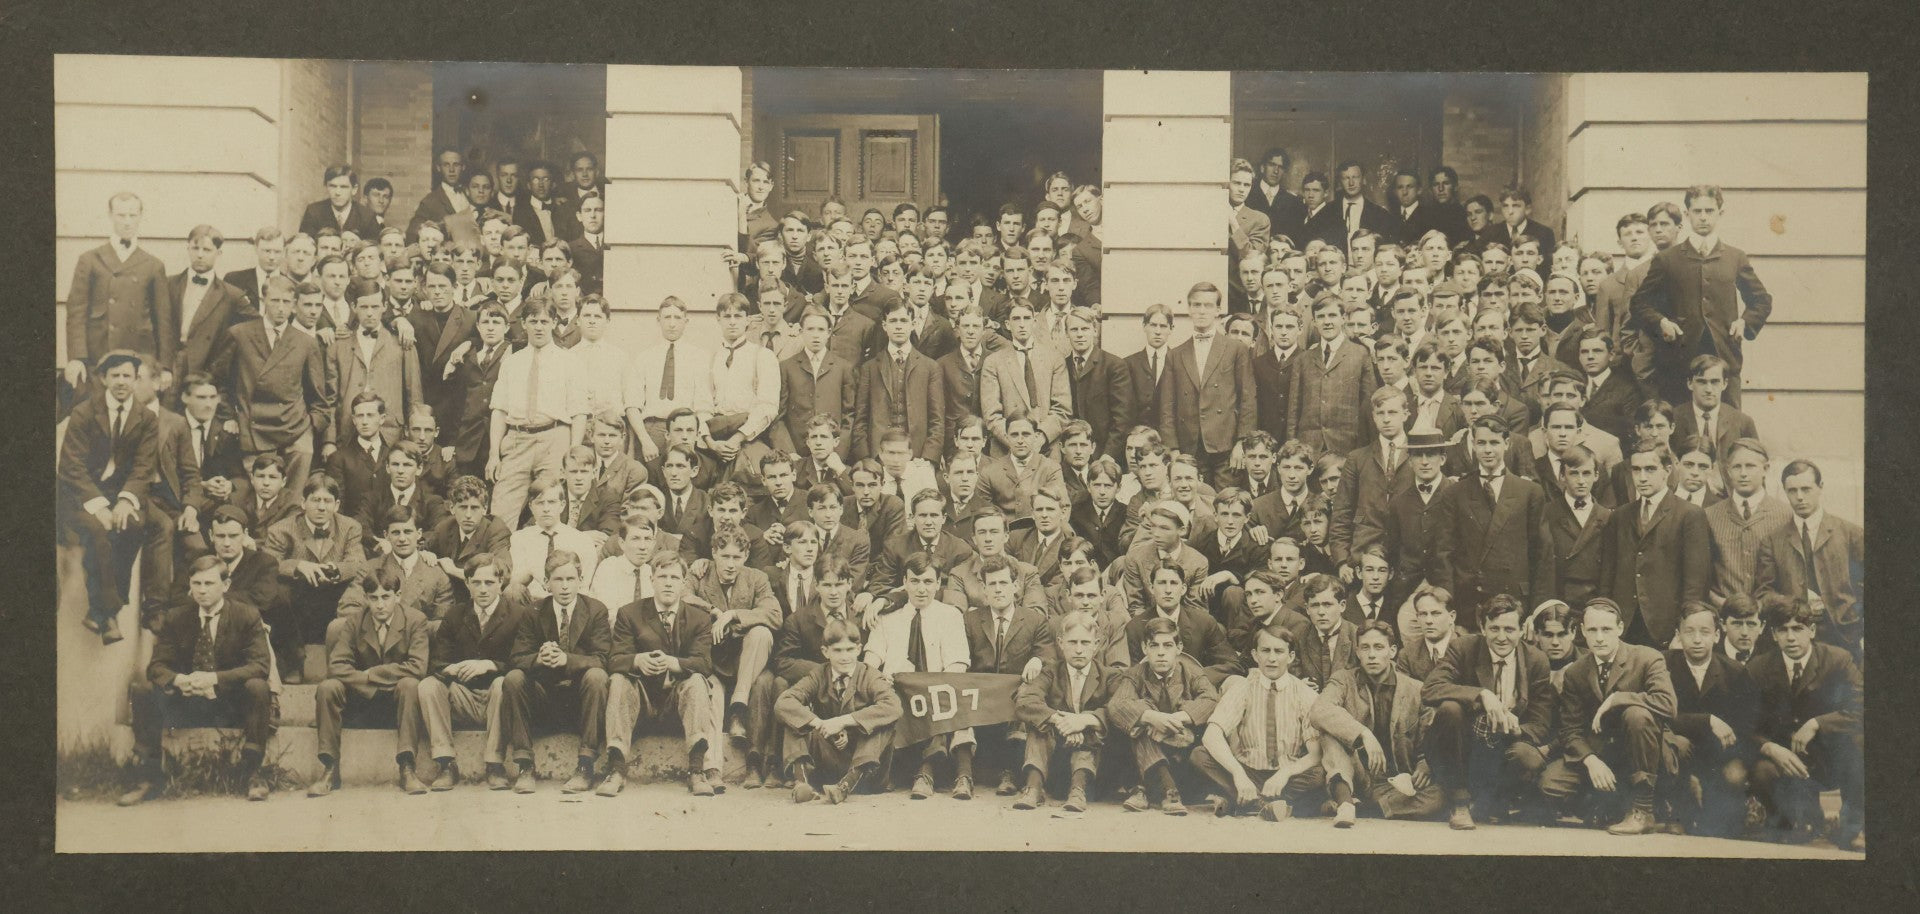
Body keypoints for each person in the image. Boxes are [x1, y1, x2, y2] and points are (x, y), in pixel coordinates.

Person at [118, 556, 276, 805]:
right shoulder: (177, 617)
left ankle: (253, 774)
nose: (202, 590)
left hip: (228, 704)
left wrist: (214, 678)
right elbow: (157, 667)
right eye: (196, 583)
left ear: (225, 585)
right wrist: (178, 680)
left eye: (209, 583)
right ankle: (148, 777)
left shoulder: (247, 615)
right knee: (144, 690)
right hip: (187, 702)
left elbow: (260, 666)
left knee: (257, 688)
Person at [1538, 598, 1679, 836]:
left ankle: (1642, 809)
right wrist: (1590, 759)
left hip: (1645, 752)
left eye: (1606, 629)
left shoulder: (1647, 657)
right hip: (1603, 753)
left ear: (1620, 629)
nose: (1599, 638)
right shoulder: (1576, 672)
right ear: (1582, 631)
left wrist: (1619, 699)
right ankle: (1610, 804)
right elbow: (1570, 729)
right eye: (1592, 630)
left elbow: (1668, 704)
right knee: (1550, 784)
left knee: (1636, 714)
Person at [1421, 594, 1555, 829]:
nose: (1502, 637)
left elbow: (1541, 723)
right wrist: (1482, 695)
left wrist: (1512, 727)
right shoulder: (1463, 648)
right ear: (1482, 627)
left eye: (1509, 629)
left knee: (1528, 757)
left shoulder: (1536, 660)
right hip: (1463, 744)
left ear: (1522, 630)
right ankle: (1460, 803)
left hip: (1505, 744)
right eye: (1494, 629)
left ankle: (1493, 799)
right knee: (1450, 709)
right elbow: (1430, 689)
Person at [1632, 185, 1773, 407]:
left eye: (1710, 211)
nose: (1703, 217)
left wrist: (1745, 322)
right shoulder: (1668, 259)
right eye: (1697, 211)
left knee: (1728, 426)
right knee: (1681, 427)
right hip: (1679, 362)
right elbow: (1640, 303)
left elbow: (1762, 300)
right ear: (1687, 215)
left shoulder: (1735, 257)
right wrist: (1661, 323)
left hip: (1725, 357)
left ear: (1720, 213)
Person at [600, 553, 726, 798]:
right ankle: (616, 769)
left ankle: (696, 770)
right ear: (652, 579)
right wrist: (638, 660)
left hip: (678, 704)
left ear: (683, 582)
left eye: (674, 577)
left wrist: (672, 663)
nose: (668, 583)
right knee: (618, 680)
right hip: (642, 701)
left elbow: (704, 663)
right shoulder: (630, 613)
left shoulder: (699, 618)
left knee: (698, 682)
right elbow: (614, 659)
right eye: (662, 577)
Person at [1746, 596, 1864, 850]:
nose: (1791, 638)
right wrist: (1770, 748)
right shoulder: (1758, 668)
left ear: (1811, 631)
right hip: (1786, 758)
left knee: (1859, 744)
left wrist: (1817, 723)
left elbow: (1862, 708)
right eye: (1783, 630)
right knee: (1762, 771)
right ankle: (1790, 822)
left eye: (1798, 629)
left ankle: (1854, 825)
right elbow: (1743, 723)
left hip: (1830, 757)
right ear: (1774, 635)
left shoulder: (1838, 659)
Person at [58, 350, 157, 644]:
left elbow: (144, 466)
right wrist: (99, 506)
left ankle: (100, 611)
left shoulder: (146, 417)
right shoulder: (85, 412)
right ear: (103, 379)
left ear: (136, 379)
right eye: (115, 376)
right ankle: (110, 611)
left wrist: (126, 500)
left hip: (119, 493)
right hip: (79, 494)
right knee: (98, 531)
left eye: (128, 376)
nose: (122, 382)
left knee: (134, 525)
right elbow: (71, 467)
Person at [309, 563, 431, 796]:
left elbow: (417, 667)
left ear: (398, 595)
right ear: (365, 598)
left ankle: (407, 767)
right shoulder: (355, 622)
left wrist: (371, 674)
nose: (380, 605)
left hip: (398, 701)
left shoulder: (415, 620)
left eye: (386, 597)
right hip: (360, 701)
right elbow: (336, 666)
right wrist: (366, 683)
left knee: (410, 684)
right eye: (373, 598)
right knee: (327, 687)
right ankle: (329, 769)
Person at [1312, 620, 1446, 827]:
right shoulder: (1343, 680)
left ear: (1392, 651)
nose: (1371, 655)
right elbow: (1320, 710)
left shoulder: (1415, 690)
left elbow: (1431, 733)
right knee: (1330, 733)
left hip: (1396, 782)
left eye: (1379, 647)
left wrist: (1425, 762)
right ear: (1357, 652)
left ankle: (1366, 808)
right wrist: (1363, 733)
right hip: (1357, 774)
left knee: (1438, 797)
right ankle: (1346, 803)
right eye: (1365, 648)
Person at [500, 549, 612, 794]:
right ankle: (525, 765)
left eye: (570, 579)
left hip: (581, 701)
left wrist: (566, 659)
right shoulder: (534, 611)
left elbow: (602, 659)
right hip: (545, 699)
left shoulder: (595, 610)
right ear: (547, 582)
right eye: (558, 580)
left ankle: (585, 766)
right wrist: (539, 659)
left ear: (580, 581)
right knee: (513, 678)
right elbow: (517, 658)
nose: (564, 587)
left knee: (597, 676)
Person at [864, 555, 975, 798]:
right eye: (914, 581)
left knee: (949, 700)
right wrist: (880, 681)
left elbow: (958, 664)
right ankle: (914, 772)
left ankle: (956, 775)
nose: (921, 589)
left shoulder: (950, 616)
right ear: (904, 582)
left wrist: (934, 685)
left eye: (928, 582)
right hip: (898, 692)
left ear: (938, 584)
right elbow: (871, 661)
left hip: (938, 691)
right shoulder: (888, 617)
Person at [416, 553, 527, 791]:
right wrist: (452, 668)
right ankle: (445, 763)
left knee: (503, 683)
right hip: (462, 695)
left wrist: (492, 665)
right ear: (467, 584)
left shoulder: (518, 614)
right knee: (428, 686)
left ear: (501, 583)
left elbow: (524, 662)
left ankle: (495, 764)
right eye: (476, 582)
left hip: (498, 699)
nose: (483, 589)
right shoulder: (455, 614)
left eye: (489, 582)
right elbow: (436, 663)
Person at [212, 276, 334, 493]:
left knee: (292, 499)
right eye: (274, 301)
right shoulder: (240, 334)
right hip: (253, 428)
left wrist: (310, 427)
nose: (280, 308)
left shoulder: (305, 342)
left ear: (295, 304)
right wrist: (229, 417)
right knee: (260, 497)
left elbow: (318, 397)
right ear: (263, 299)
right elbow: (219, 383)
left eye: (286, 302)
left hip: (295, 429)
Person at [1430, 416, 1553, 628]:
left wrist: (1538, 609)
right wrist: (1448, 603)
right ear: (1473, 445)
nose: (1488, 450)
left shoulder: (1529, 492)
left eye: (1494, 443)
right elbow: (1444, 551)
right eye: (1481, 443)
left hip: (1516, 602)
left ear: (1507, 444)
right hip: (1469, 601)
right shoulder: (1455, 493)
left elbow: (1542, 554)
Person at [1190, 622, 1321, 819]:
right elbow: (1211, 735)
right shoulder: (1244, 688)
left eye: (1279, 651)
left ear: (1291, 656)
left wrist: (1285, 774)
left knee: (1319, 773)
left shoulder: (1304, 693)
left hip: (1287, 774)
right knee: (1199, 755)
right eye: (1265, 651)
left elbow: (1316, 753)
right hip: (1249, 770)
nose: (1272, 659)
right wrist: (1238, 774)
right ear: (1254, 655)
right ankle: (1264, 804)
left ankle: (1246, 802)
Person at [776, 618, 901, 805]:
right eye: (838, 650)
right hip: (828, 766)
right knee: (795, 719)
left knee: (884, 724)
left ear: (859, 649)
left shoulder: (869, 675)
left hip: (866, 771)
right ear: (826, 652)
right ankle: (802, 783)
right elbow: (784, 702)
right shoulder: (819, 674)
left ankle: (845, 786)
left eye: (850, 650)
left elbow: (893, 706)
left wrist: (844, 721)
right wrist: (821, 723)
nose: (845, 657)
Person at [488, 298, 589, 525]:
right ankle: (502, 558)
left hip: (554, 438)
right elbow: (499, 410)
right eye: (533, 321)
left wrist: (572, 453)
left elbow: (579, 412)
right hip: (517, 439)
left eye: (545, 321)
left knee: (550, 506)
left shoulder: (569, 362)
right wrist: (494, 453)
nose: (539, 327)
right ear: (524, 324)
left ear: (554, 323)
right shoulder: (511, 363)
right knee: (502, 511)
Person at [1600, 441, 1711, 647]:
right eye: (1636, 470)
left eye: (1650, 469)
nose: (1642, 477)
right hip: (1624, 627)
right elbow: (1607, 576)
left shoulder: (1689, 515)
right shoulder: (1620, 516)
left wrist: (1683, 630)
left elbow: (1695, 583)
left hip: (1665, 629)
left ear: (1667, 470)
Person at [1753, 458, 1865, 661]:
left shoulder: (1851, 534)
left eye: (1806, 489)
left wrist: (1855, 624)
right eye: (1792, 491)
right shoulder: (1772, 540)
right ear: (1785, 492)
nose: (1800, 497)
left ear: (1820, 487)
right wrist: (1798, 604)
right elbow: (1763, 593)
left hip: (1845, 639)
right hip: (1795, 640)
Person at [1665, 600, 1760, 837]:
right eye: (1689, 632)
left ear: (1717, 635)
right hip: (1681, 749)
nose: (1697, 639)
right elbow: (1659, 713)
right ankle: (1681, 813)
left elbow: (1747, 724)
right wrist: (1706, 720)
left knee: (1723, 820)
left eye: (1705, 632)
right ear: (1678, 635)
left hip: (1720, 754)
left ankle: (1721, 809)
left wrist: (1727, 757)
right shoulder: (1663, 665)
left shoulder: (1735, 671)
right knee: (1677, 746)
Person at [1108, 617, 1221, 816]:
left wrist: (1180, 717)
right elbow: (1117, 705)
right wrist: (1151, 716)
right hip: (1144, 758)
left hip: (1181, 760)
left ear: (1179, 648)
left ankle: (1142, 790)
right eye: (1154, 646)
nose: (1161, 653)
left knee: (1146, 724)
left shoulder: (1191, 673)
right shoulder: (1135, 674)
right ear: (1145, 648)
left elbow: (1211, 700)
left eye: (1168, 645)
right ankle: (1168, 792)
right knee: (1141, 724)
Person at [66, 193, 172, 386]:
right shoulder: (90, 260)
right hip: (98, 355)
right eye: (121, 215)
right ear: (110, 215)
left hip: (140, 356)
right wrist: (77, 358)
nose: (127, 222)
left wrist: (165, 366)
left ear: (141, 216)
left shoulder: (153, 265)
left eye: (132, 215)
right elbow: (76, 313)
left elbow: (163, 320)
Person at [1161, 283, 1257, 480]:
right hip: (1190, 446)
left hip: (1226, 444)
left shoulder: (1235, 349)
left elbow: (1248, 398)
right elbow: (1166, 406)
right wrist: (1173, 448)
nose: (1202, 311)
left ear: (1218, 310)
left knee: (1227, 502)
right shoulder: (1176, 354)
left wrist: (1242, 442)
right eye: (1196, 305)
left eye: (1208, 305)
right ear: (1189, 309)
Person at [856, 299, 946, 462]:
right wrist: (867, 458)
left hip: (917, 457)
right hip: (879, 457)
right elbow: (860, 420)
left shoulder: (930, 367)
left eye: (904, 320)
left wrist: (928, 459)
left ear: (912, 324)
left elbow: (937, 420)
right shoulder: (869, 368)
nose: (898, 326)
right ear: (884, 326)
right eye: (893, 321)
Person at [1705, 438, 1792, 607]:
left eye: (1750, 466)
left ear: (1765, 469)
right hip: (1725, 614)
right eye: (1737, 467)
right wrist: (1721, 603)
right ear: (1728, 471)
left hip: (1771, 614)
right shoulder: (1710, 515)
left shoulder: (1785, 514)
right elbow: (1701, 573)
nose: (1743, 473)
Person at [1290, 294, 1378, 457]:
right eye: (1321, 317)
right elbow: (1294, 410)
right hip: (1309, 447)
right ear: (1314, 322)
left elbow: (1369, 404)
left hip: (1347, 445)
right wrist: (1292, 445)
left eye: (1332, 315)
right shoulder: (1303, 359)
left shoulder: (1360, 354)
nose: (1327, 322)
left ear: (1343, 318)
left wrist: (1366, 449)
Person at [628, 297, 714, 463]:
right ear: (658, 320)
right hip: (651, 432)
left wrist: (697, 439)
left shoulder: (699, 357)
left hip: (685, 432)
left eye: (677, 318)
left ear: (686, 321)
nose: (672, 324)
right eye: (667, 318)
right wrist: (645, 440)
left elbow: (704, 406)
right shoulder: (644, 357)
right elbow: (632, 405)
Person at [1545, 444, 1612, 609]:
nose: (1581, 481)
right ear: (1562, 476)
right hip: (1559, 602)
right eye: (1574, 473)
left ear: (1596, 476)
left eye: (1586, 473)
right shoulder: (1547, 513)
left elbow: (1610, 570)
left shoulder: (1608, 517)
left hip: (1595, 603)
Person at [300, 164, 382, 240]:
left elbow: (373, 250)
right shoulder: (314, 212)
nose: (337, 192)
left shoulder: (367, 216)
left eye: (343, 187)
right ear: (326, 187)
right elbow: (304, 246)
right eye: (332, 186)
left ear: (354, 189)